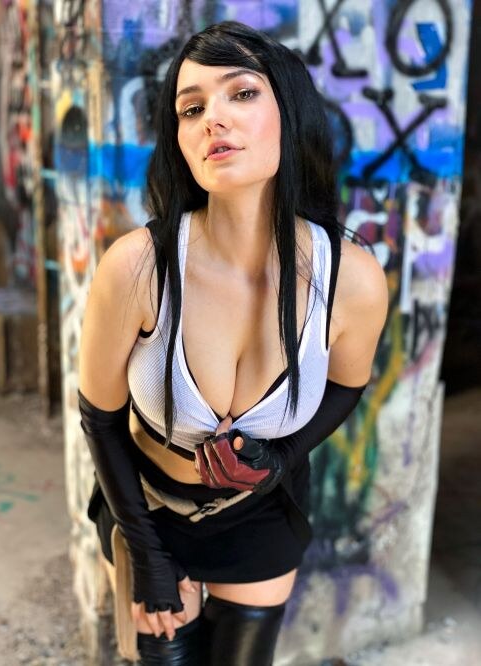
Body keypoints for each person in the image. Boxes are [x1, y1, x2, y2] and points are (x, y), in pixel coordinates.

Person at [78, 20, 388, 666]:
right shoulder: (138, 268)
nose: (213, 118)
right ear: (180, 141)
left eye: (241, 93)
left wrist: (284, 455)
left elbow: (348, 385)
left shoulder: (351, 280)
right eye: (191, 109)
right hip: (147, 510)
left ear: (288, 113)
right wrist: (146, 552)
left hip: (260, 516)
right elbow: (100, 418)